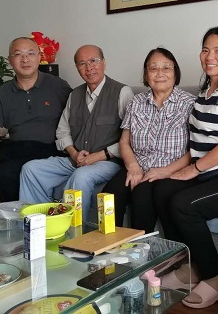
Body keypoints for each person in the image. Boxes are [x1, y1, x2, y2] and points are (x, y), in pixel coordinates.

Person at [151, 26, 218, 309]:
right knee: (161, 190)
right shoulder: (207, 91)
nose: (210, 56)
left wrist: (196, 169)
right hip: (211, 169)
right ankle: (189, 267)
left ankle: (217, 278)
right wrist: (168, 170)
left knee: (184, 205)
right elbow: (199, 143)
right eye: (205, 50)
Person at [19, 45, 133, 220]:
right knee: (30, 169)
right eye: (82, 63)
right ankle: (39, 225)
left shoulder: (122, 92)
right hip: (76, 159)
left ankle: (72, 231)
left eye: (93, 61)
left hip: (109, 162)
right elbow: (62, 131)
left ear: (104, 63)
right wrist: (73, 153)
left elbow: (132, 138)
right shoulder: (75, 95)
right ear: (77, 68)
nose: (89, 67)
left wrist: (99, 156)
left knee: (82, 176)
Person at [0, 37, 72, 202]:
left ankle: (15, 217)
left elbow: (79, 114)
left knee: (7, 172)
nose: (25, 59)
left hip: (48, 149)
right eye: (18, 54)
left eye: (30, 53)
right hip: (15, 148)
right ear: (10, 60)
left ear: (39, 58)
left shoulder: (58, 86)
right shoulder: (3, 92)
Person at [102, 48, 196, 231]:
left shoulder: (190, 104)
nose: (160, 73)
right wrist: (133, 167)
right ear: (146, 74)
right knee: (109, 196)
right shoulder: (136, 102)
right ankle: (108, 244)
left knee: (141, 195)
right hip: (138, 165)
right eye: (153, 68)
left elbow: (195, 149)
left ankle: (140, 247)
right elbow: (124, 141)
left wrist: (165, 171)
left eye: (166, 68)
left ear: (175, 72)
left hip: (170, 168)